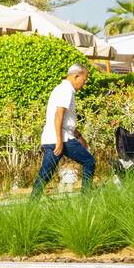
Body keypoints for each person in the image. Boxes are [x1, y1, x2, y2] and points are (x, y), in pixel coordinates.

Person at [32, 63, 95, 196]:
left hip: (51, 138)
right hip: (61, 138)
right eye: (84, 80)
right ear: (76, 76)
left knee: (46, 173)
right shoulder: (66, 90)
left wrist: (79, 136)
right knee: (89, 161)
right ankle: (86, 196)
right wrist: (59, 140)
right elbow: (58, 115)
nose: (84, 84)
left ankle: (32, 204)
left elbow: (66, 120)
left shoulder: (61, 89)